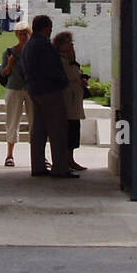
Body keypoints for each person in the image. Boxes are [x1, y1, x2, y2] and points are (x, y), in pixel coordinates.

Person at [20, 14, 77, 178]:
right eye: (50, 27)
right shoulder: (44, 45)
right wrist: (63, 81)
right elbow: (51, 68)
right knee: (58, 130)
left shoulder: (29, 45)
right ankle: (60, 168)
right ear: (47, 28)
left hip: (34, 90)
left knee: (39, 130)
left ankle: (38, 166)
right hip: (49, 90)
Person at [53, 30, 88, 171]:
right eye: (68, 43)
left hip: (74, 100)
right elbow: (71, 74)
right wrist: (73, 60)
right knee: (69, 131)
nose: (71, 45)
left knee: (74, 131)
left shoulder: (67, 59)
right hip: (67, 100)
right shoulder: (61, 60)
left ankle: (70, 159)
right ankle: (66, 160)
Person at [0, 20, 33, 167]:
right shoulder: (9, 52)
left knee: (36, 122)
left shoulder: (34, 52)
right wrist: (11, 63)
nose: (23, 36)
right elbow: (4, 73)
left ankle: (38, 155)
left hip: (32, 89)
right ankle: (9, 154)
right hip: (14, 88)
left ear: (30, 34)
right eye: (20, 34)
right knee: (12, 121)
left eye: (25, 33)